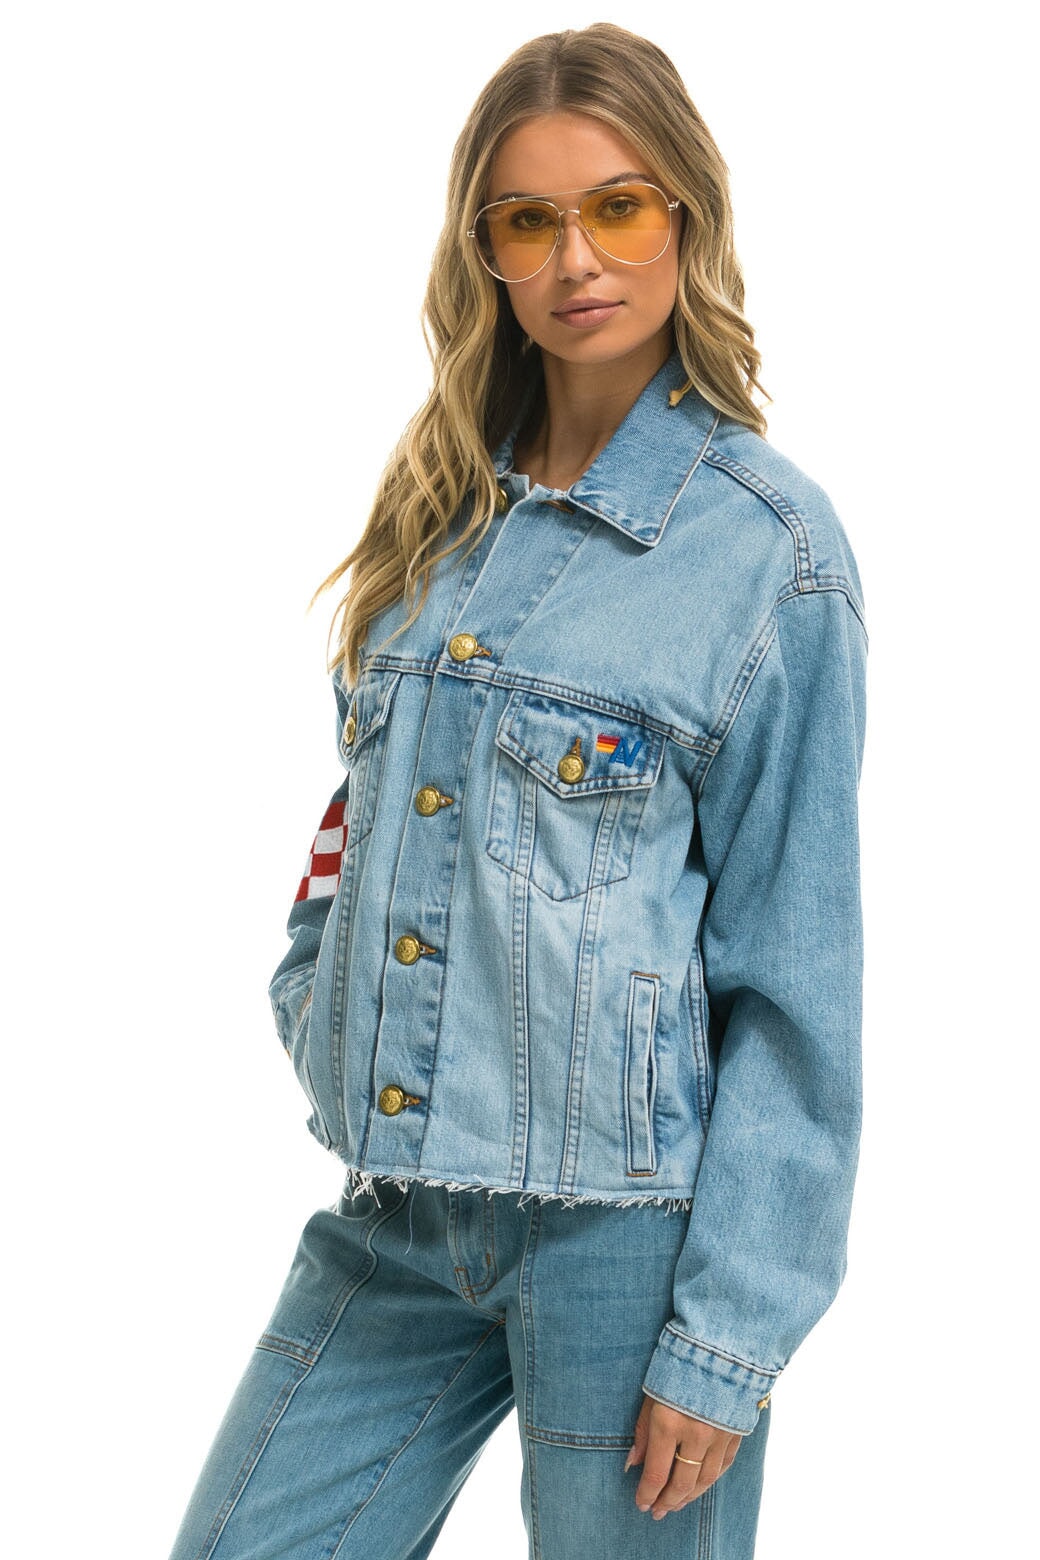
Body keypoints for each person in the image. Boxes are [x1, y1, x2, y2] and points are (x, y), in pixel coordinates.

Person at [167, 22, 867, 1560]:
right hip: (399, 1215)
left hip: (627, 1240)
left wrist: (728, 1337)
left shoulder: (768, 553)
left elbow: (796, 981)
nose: (578, 259)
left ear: (686, 214)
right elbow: (353, 831)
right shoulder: (437, 515)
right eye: (530, 220)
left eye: (618, 206)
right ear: (485, 250)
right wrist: (318, 998)